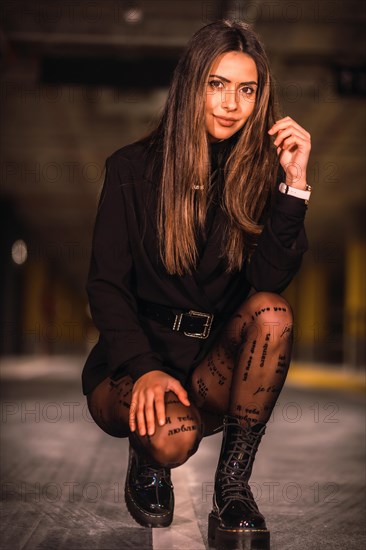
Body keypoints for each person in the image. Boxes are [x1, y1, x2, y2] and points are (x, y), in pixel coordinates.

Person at [82, 19, 311, 550]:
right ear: (191, 85)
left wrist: (293, 188)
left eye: (247, 89)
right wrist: (142, 368)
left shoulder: (261, 178)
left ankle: (233, 488)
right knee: (170, 438)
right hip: (134, 361)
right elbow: (106, 286)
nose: (231, 103)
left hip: (211, 367)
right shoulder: (131, 170)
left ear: (260, 98)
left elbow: (268, 282)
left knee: (273, 312)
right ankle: (144, 448)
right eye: (217, 84)